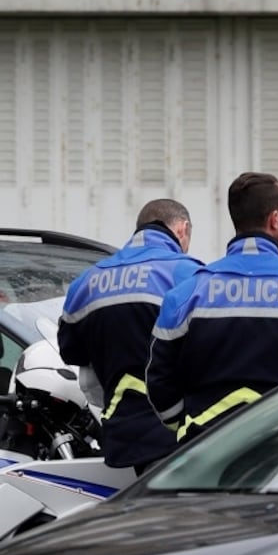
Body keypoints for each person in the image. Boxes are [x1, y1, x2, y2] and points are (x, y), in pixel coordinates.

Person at [146, 172, 278, 445]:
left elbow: (159, 379)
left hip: (204, 451)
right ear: (275, 219)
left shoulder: (186, 295)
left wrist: (185, 423)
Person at [58, 199, 203, 475]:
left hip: (121, 437)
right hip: (180, 436)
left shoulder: (86, 282)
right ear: (182, 230)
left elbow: (71, 352)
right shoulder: (188, 273)